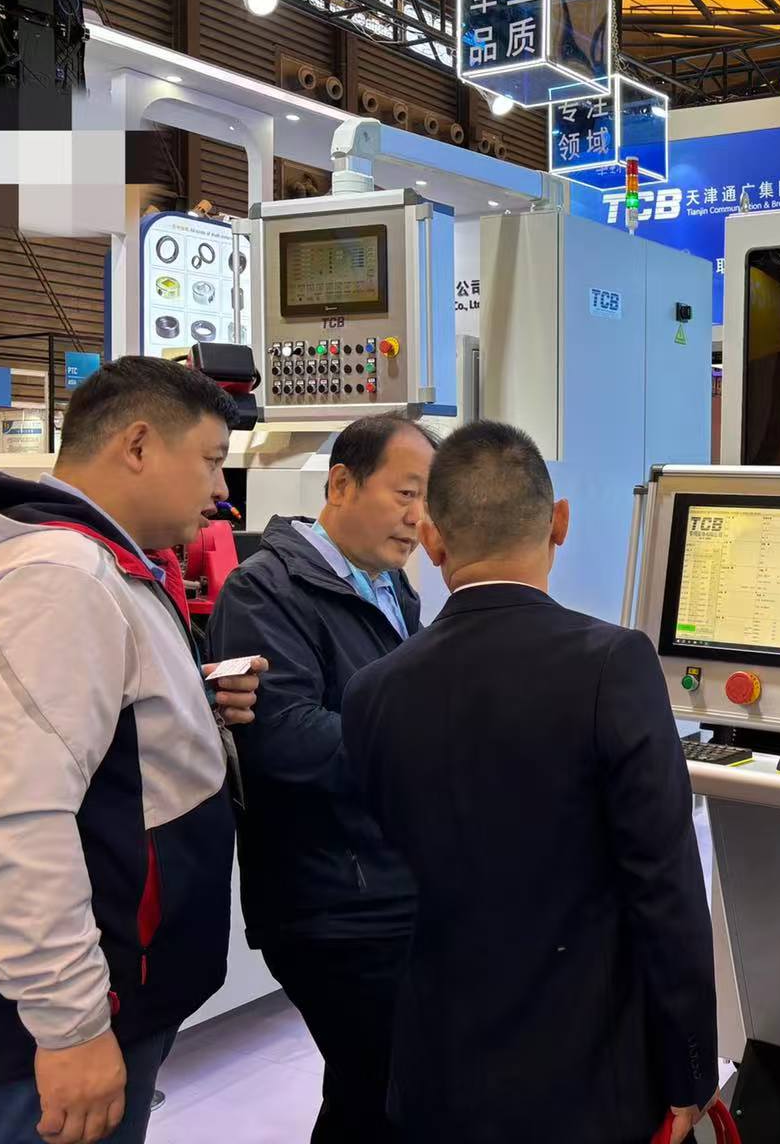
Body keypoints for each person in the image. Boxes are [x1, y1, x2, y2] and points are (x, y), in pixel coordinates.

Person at [0, 357, 265, 1144]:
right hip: (36, 1029)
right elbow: (12, 822)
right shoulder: (56, 580)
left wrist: (185, 704)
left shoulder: (84, 563)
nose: (221, 491)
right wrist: (69, 1026)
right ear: (137, 446)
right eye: (211, 460)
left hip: (94, 994)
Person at [342, 420, 717, 1144]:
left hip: (434, 1073)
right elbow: (665, 887)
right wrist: (690, 1068)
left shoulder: (371, 693)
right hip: (586, 1079)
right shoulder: (614, 665)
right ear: (560, 524)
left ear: (432, 540)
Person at [205, 411, 438, 1144]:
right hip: (332, 901)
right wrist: (435, 740)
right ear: (341, 484)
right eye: (406, 493)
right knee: (385, 1091)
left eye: (428, 500)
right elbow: (286, 741)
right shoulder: (265, 592)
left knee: (379, 1091)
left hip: (391, 878)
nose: (418, 518)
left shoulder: (390, 587)